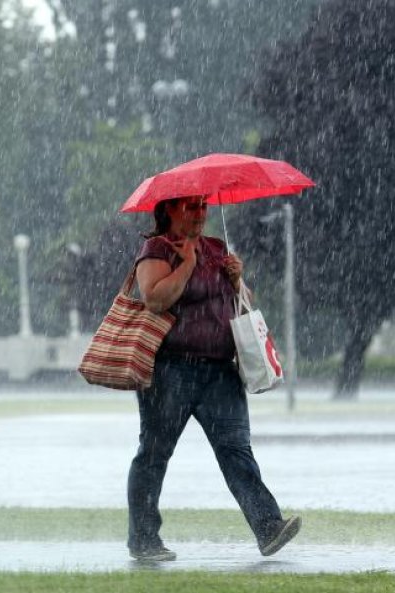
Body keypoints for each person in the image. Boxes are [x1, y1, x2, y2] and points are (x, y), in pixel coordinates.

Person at [127, 194, 301, 561]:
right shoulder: (156, 249)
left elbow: (242, 302)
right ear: (169, 210)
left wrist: (237, 280)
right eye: (191, 207)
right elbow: (156, 298)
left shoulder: (217, 247)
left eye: (203, 206)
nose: (200, 213)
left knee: (236, 451)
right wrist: (187, 262)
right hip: (171, 370)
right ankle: (143, 540)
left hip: (221, 370)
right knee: (154, 454)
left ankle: (268, 527)